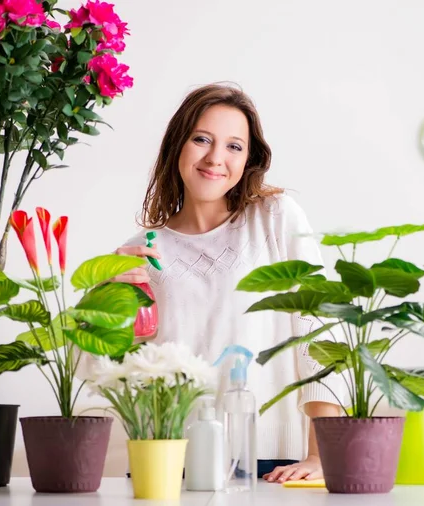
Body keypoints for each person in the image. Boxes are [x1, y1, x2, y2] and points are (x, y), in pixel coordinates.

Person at [115, 83, 345, 483]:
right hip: (171, 461)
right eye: (201, 139)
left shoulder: (274, 218)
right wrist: (107, 300)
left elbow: (318, 328)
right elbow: (117, 368)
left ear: (249, 159)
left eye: (234, 146)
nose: (215, 158)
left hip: (274, 462)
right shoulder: (140, 251)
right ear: (177, 146)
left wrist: (319, 455)